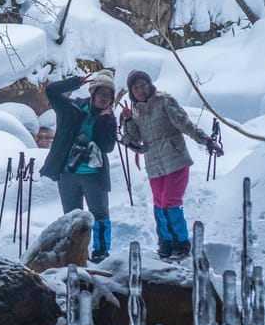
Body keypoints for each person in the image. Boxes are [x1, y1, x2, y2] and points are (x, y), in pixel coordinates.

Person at [120, 70, 223, 260]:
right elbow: (133, 139)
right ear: (131, 92)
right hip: (154, 164)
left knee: (170, 203)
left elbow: (185, 125)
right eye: (135, 88)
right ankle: (165, 243)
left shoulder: (164, 101)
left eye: (143, 85)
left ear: (149, 84)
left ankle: (181, 243)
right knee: (159, 204)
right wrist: (127, 120)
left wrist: (206, 141)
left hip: (175, 159)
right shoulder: (136, 111)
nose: (140, 90)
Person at [39, 70, 118, 262]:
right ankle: (73, 253)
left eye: (108, 95)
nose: (104, 98)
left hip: (94, 175)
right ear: (93, 92)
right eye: (101, 93)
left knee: (99, 215)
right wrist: (75, 82)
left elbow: (107, 147)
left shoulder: (108, 117)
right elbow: (51, 91)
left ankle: (101, 253)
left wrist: (105, 121)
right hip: (68, 173)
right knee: (72, 218)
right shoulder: (72, 108)